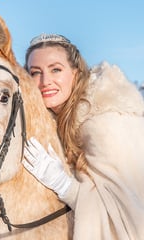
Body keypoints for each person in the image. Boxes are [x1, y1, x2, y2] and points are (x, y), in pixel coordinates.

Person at [21, 33, 144, 239]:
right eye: (35, 72)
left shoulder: (105, 124)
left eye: (56, 70)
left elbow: (125, 217)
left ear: (76, 74)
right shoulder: (56, 122)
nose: (45, 81)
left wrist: (63, 185)